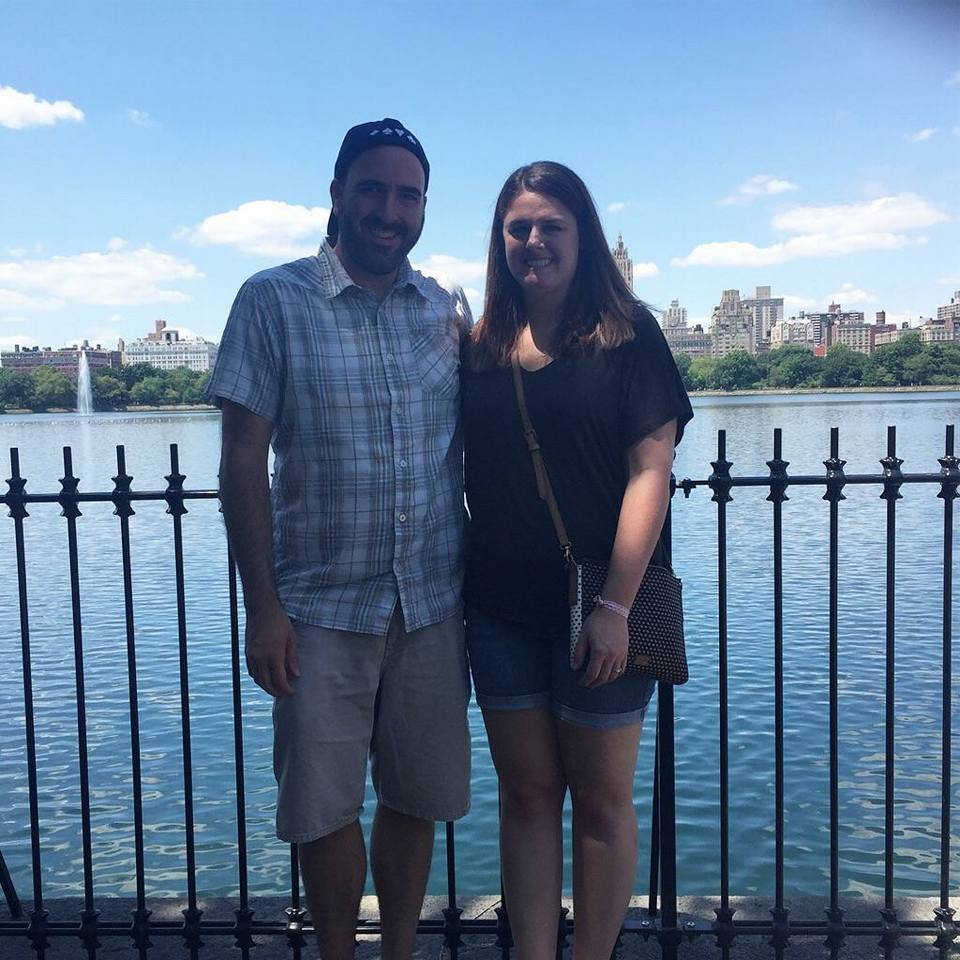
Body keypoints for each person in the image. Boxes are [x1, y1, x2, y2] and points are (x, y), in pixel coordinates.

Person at [207, 118, 472, 960]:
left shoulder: (445, 310)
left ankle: (396, 951)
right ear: (336, 195)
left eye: (407, 194)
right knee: (321, 810)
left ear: (423, 206)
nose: (389, 210)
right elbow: (242, 463)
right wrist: (263, 610)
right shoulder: (272, 299)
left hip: (431, 603)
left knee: (418, 798)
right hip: (318, 608)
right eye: (373, 189)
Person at [461, 161, 693, 960]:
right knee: (525, 798)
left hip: (604, 606)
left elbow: (650, 472)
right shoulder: (481, 345)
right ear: (500, 242)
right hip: (499, 607)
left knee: (599, 803)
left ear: (583, 235)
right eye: (519, 227)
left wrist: (617, 607)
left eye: (551, 226)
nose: (534, 241)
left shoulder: (628, 333)